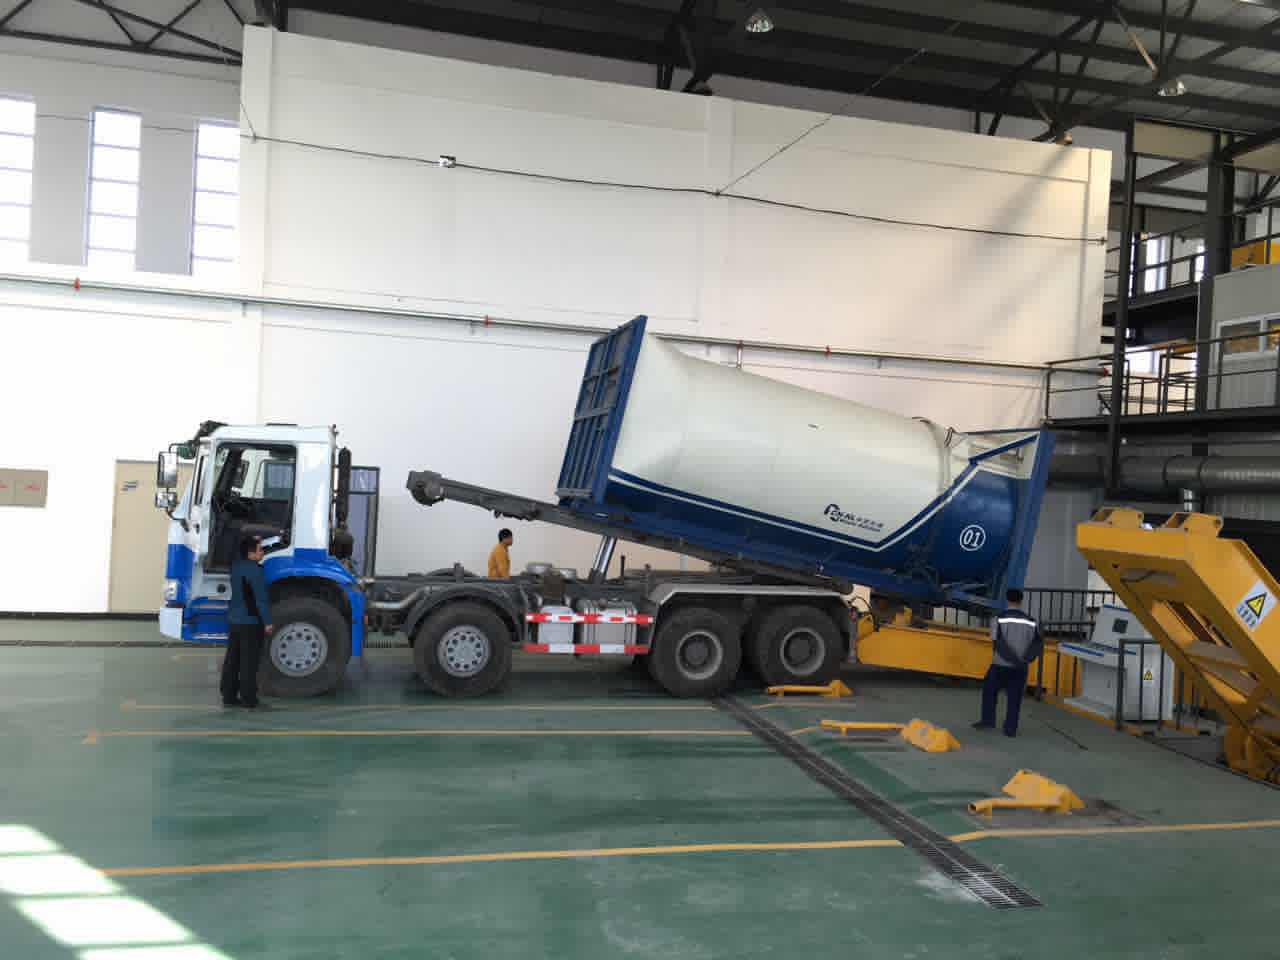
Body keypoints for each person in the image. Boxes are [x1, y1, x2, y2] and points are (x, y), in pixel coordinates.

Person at [973, 588, 1043, 738]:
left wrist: (1011, 658)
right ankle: (1010, 729)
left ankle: (988, 721)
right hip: (1021, 667)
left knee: (989, 691)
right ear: (1021, 601)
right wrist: (1025, 659)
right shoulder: (1032, 621)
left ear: (1007, 599)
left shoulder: (998, 619)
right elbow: (1037, 643)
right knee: (1015, 698)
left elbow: (997, 643)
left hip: (1000, 664)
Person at [222, 532, 274, 709]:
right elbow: (260, 600)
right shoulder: (255, 571)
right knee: (249, 662)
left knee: (232, 660)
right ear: (250, 554)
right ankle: (249, 699)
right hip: (250, 622)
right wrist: (268, 622)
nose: (262, 553)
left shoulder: (236, 566)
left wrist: (253, 539)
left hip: (234, 620)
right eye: (260, 550)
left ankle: (228, 696)